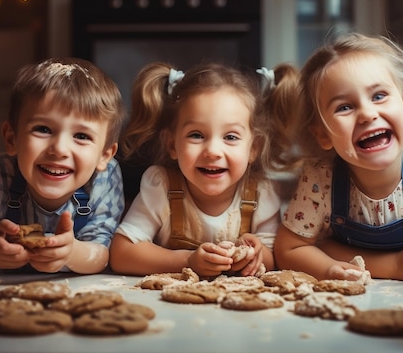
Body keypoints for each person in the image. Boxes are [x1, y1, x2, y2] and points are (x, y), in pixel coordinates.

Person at [273, 33, 403, 283]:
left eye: (378, 96)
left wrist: (330, 249)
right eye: (344, 107)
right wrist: (391, 266)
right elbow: (289, 249)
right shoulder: (321, 176)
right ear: (323, 134)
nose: (366, 114)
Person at [110, 61, 298, 278]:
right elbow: (122, 253)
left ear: (254, 147)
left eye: (230, 137)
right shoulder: (161, 186)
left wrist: (256, 255)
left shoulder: (261, 192)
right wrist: (186, 261)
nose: (213, 151)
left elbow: (275, 257)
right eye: (196, 135)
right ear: (172, 144)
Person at [0, 57, 126, 276]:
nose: (59, 149)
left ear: (104, 155)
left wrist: (72, 253)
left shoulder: (104, 178)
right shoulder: (0, 173)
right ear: (11, 139)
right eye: (43, 129)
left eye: (81, 136)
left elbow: (101, 255)